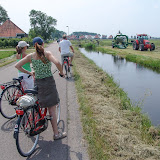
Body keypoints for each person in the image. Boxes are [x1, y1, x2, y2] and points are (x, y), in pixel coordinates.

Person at [15, 37, 67, 140]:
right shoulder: (47, 54)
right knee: (51, 109)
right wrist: (61, 73)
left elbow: (17, 65)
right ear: (42, 44)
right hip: (48, 83)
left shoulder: (31, 56)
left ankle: (38, 122)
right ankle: (56, 134)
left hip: (37, 83)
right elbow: (57, 63)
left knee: (39, 103)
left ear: (34, 45)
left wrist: (30, 73)